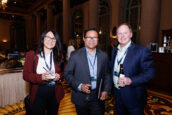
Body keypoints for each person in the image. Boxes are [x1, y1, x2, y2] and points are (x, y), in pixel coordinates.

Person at [64, 28, 111, 115]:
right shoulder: (75, 55)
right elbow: (67, 74)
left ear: (98, 39)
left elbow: (107, 74)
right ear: (84, 38)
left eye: (94, 37)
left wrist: (105, 90)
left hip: (98, 96)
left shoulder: (103, 55)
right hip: (81, 97)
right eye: (89, 37)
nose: (92, 40)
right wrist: (79, 85)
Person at [111, 23, 155, 115]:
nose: (122, 36)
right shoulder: (114, 51)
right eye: (119, 33)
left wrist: (130, 80)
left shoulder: (142, 50)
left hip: (133, 96)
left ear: (131, 34)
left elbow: (150, 73)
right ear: (116, 36)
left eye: (125, 33)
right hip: (117, 94)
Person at [23, 29, 64, 115]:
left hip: (55, 92)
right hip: (38, 91)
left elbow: (63, 73)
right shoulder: (32, 54)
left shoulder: (59, 55)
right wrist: (40, 77)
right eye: (48, 37)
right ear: (42, 39)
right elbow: (25, 75)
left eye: (53, 39)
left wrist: (59, 76)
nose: (51, 40)